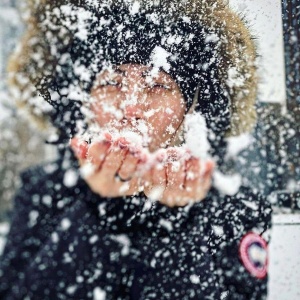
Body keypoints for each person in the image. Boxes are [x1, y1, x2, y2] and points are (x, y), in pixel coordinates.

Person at [0, 0, 272, 299]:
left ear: (191, 107)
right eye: (111, 83)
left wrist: (173, 223)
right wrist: (97, 208)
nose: (130, 106)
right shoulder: (43, 192)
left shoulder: (238, 206)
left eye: (157, 86)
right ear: (83, 101)